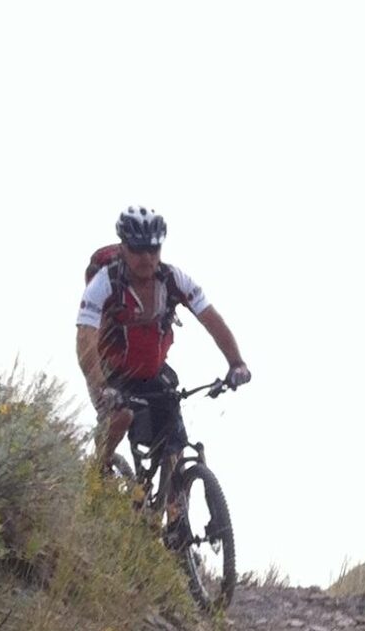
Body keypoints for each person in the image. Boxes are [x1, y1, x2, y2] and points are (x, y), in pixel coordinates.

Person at [76, 208, 250, 506]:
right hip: (111, 371)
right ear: (123, 247)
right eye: (138, 250)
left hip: (153, 370)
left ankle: (174, 520)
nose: (147, 257)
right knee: (121, 416)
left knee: (174, 439)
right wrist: (101, 385)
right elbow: (84, 341)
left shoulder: (173, 279)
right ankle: (99, 469)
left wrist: (236, 363)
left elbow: (211, 319)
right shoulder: (105, 283)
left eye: (153, 249)